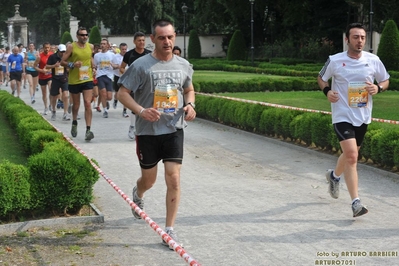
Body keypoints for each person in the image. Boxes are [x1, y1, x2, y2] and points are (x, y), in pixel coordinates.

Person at [118, 19, 196, 249]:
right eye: (161, 37)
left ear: (175, 37)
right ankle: (138, 192)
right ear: (152, 39)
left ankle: (169, 230)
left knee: (173, 177)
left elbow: (189, 89)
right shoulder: (141, 65)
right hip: (148, 132)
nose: (167, 41)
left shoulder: (183, 65)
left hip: (173, 129)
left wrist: (190, 105)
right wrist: (141, 111)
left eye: (170, 37)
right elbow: (123, 93)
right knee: (149, 181)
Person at [317, 22, 390, 218]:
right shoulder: (334, 60)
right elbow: (321, 78)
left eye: (363, 38)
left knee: (351, 154)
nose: (360, 41)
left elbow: (385, 79)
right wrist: (327, 91)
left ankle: (334, 176)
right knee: (352, 156)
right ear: (347, 39)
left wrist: (378, 88)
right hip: (342, 114)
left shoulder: (373, 60)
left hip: (362, 115)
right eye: (356, 37)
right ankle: (356, 202)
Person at [61, 27, 95, 141]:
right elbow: (62, 62)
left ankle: (88, 130)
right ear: (77, 36)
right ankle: (74, 122)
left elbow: (90, 58)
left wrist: (93, 67)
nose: (84, 37)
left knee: (88, 103)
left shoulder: (90, 46)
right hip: (75, 80)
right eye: (81, 35)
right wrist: (73, 65)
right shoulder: (71, 46)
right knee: (76, 105)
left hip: (87, 78)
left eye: (85, 35)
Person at [119, 32, 152, 139]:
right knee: (135, 107)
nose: (142, 42)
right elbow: (122, 67)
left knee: (147, 105)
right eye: (139, 40)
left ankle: (145, 127)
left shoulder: (149, 54)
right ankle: (132, 127)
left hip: (146, 84)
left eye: (143, 40)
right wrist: (128, 75)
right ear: (134, 42)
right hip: (134, 85)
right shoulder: (129, 55)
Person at [93, 39, 117, 118]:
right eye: (101, 44)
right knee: (103, 93)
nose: (102, 45)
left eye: (104, 44)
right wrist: (94, 70)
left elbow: (117, 65)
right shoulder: (97, 55)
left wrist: (114, 66)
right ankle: (105, 110)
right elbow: (95, 66)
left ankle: (106, 102)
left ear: (107, 45)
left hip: (109, 76)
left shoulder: (112, 55)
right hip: (100, 76)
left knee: (109, 97)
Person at [46, 44, 70, 121]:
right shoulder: (52, 57)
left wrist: (68, 67)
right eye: (61, 51)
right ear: (58, 51)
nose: (63, 53)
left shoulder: (67, 56)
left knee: (66, 95)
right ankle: (53, 111)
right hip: (55, 79)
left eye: (64, 51)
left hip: (64, 78)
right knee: (54, 96)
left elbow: (69, 66)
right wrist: (54, 65)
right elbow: (47, 66)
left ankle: (65, 113)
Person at [34, 42, 53, 115]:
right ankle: (46, 107)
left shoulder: (52, 55)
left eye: (48, 48)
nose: (47, 49)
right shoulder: (40, 56)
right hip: (42, 76)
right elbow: (34, 66)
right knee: (44, 93)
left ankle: (51, 104)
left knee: (51, 89)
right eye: (46, 48)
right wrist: (41, 70)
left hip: (50, 76)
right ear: (43, 48)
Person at [111, 42, 128, 117]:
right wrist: (118, 66)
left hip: (126, 77)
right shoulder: (116, 57)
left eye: (125, 49)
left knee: (126, 95)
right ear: (120, 49)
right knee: (117, 93)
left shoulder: (128, 56)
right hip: (118, 76)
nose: (124, 51)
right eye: (122, 49)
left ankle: (124, 110)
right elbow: (113, 66)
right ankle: (115, 100)